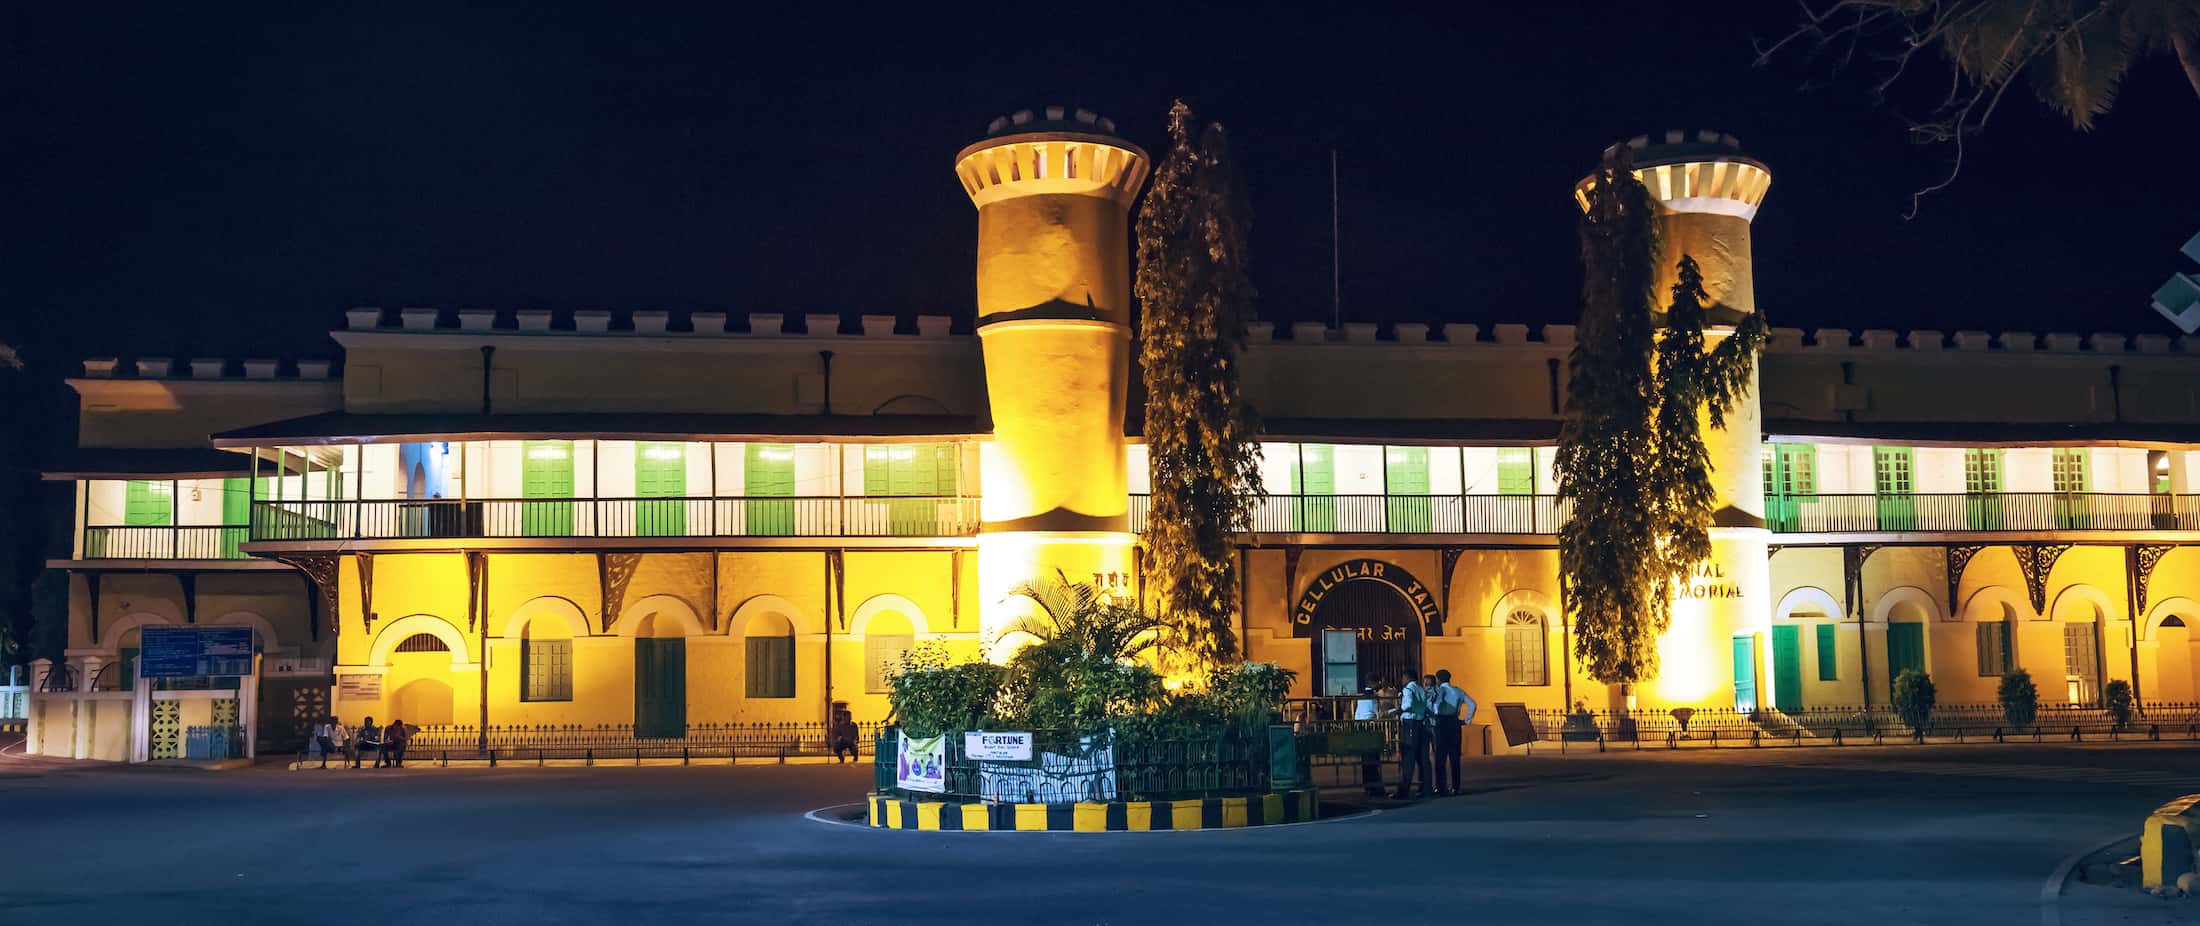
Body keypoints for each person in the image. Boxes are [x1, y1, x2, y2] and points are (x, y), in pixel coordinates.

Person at [1432, 668, 1477, 796]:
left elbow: (1437, 703)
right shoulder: (1458, 691)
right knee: (1454, 756)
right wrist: (1467, 720)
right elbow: (1472, 704)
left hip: (1442, 723)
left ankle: (1441, 787)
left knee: (1440, 757)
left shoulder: (1441, 690)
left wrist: (1435, 715)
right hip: (1455, 722)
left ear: (1438, 680)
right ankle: (1456, 787)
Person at [1389, 672, 1433, 800]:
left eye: (1403, 678)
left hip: (1409, 724)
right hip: (1420, 724)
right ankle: (1426, 789)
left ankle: (1403, 791)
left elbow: (1406, 705)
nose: (1402, 680)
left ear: (1407, 678)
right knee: (1423, 759)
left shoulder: (1408, 689)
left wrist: (1396, 710)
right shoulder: (1421, 688)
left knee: (1408, 759)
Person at [1353, 686, 1384, 796]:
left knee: (1365, 759)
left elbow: (1356, 716)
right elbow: (1379, 714)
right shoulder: (1373, 701)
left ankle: (1367, 787)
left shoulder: (1360, 701)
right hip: (1372, 728)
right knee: (1374, 759)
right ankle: (1376, 786)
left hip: (1361, 729)